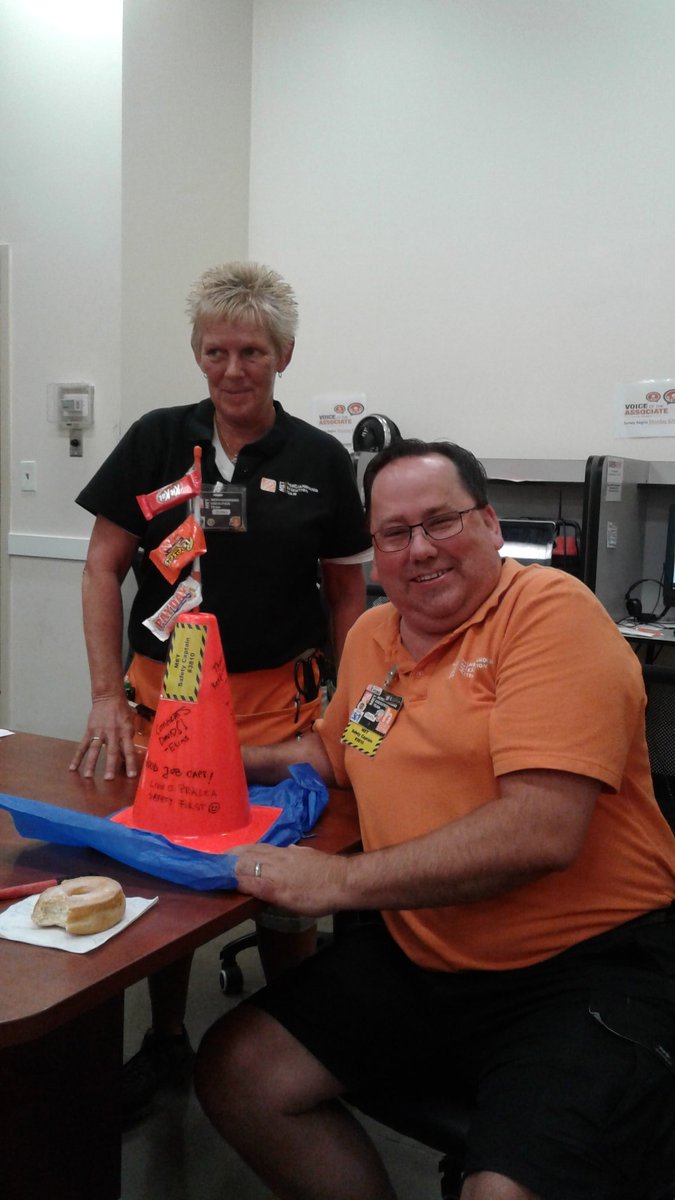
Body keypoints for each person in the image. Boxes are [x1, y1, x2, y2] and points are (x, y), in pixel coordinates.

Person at [194, 438, 675, 1200]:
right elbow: (340, 753)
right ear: (374, 550)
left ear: (487, 523)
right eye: (393, 532)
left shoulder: (550, 618)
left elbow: (540, 829)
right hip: (424, 954)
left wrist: (339, 881)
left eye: (440, 521)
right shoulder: (375, 638)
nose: (418, 549)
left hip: (580, 966)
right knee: (239, 1071)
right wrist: (202, 750)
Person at [69, 261, 370, 1120]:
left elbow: (347, 597)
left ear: (282, 355)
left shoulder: (317, 459)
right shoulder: (160, 439)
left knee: (284, 875)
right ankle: (166, 1039)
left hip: (278, 702)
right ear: (197, 354)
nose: (232, 369)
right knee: (162, 871)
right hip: (162, 697)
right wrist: (100, 696)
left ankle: (301, 1042)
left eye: (251, 351)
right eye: (215, 351)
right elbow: (102, 568)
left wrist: (346, 707)